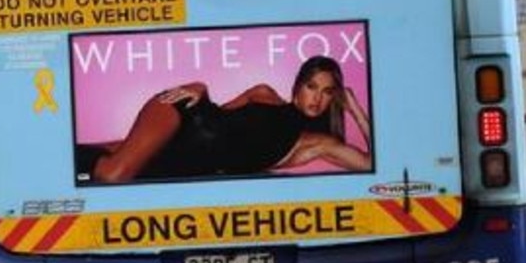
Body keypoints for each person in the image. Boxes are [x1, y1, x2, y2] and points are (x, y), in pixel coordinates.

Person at [89, 55, 371, 183]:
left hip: (184, 160)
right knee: (112, 174)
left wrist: (354, 107)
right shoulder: (264, 93)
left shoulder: (317, 144)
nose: (317, 98)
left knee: (91, 158)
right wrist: (201, 88)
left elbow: (373, 164)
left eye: (327, 92)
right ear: (298, 86)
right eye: (311, 87)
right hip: (180, 111)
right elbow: (218, 115)